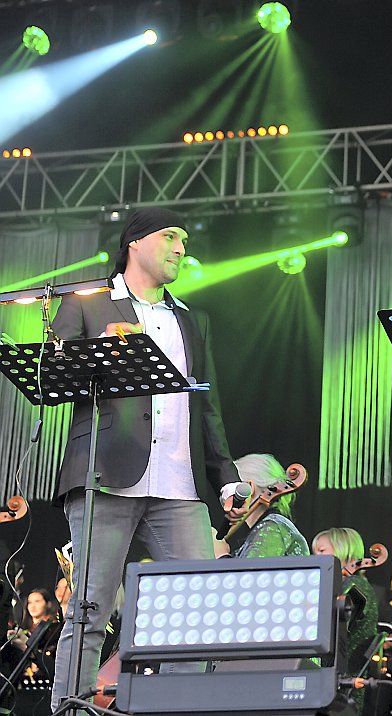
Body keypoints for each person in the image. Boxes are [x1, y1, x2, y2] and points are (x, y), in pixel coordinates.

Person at [48, 207, 241, 709]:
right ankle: (71, 709)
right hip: (105, 476)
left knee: (197, 611)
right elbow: (50, 379)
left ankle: (174, 707)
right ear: (135, 241)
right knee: (89, 609)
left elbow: (207, 407)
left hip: (179, 485)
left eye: (185, 240)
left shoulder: (191, 319)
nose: (181, 248)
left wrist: (225, 477)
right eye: (171, 236)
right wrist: (97, 352)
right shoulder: (88, 302)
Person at [312, 528, 380, 680]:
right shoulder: (347, 585)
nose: (316, 557)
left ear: (343, 550)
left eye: (321, 550)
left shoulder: (356, 586)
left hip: (344, 679)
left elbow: (331, 627)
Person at [213, 454, 308, 559]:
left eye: (233, 489)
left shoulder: (273, 526)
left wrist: (221, 554)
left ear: (249, 488)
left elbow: (250, 569)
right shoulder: (265, 528)